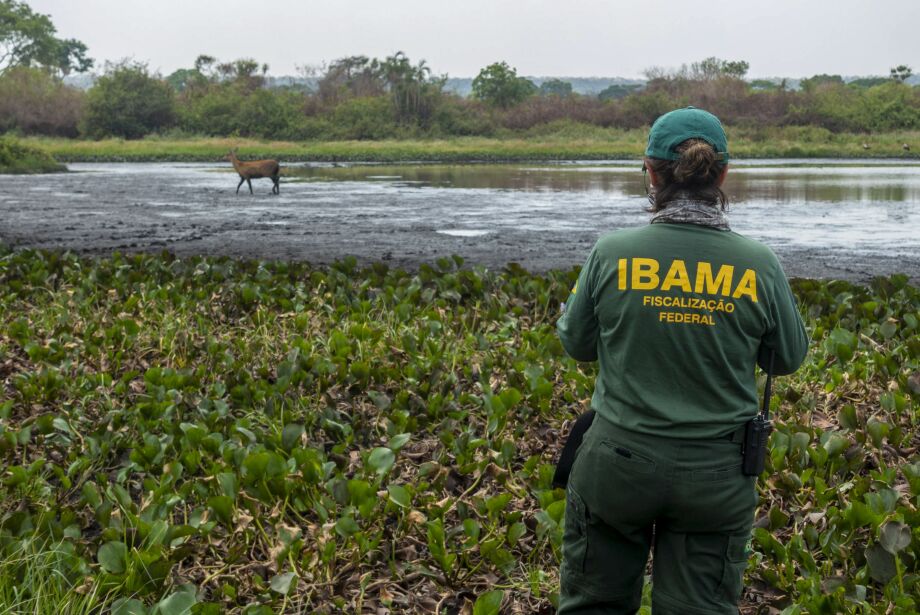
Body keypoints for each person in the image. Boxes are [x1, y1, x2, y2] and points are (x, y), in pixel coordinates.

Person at [555, 107, 808, 614]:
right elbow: (788, 358)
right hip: (717, 474)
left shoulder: (611, 253)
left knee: (594, 606)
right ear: (723, 175)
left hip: (618, 465)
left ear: (650, 173)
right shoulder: (758, 263)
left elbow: (577, 344)